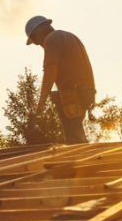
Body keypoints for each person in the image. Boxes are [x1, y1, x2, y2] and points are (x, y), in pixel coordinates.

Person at [24, 15, 96, 145]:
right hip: (86, 91)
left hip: (72, 94)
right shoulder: (70, 36)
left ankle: (79, 162)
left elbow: (51, 70)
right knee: (78, 134)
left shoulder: (52, 39)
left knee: (74, 140)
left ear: (39, 31)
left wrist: (41, 102)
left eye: (36, 40)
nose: (40, 45)